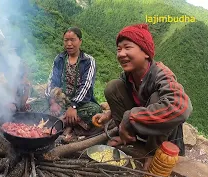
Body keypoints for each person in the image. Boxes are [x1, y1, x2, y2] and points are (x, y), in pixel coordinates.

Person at [93, 24, 193, 169]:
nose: (121, 54)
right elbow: (126, 97)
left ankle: (152, 151)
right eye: (119, 49)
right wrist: (110, 114)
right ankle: (127, 137)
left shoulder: (162, 74)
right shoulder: (128, 76)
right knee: (113, 87)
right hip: (141, 124)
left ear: (146, 52)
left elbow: (181, 106)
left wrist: (130, 117)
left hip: (164, 136)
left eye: (127, 48)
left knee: (157, 98)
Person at [45, 27, 102, 138]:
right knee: (37, 105)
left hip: (81, 104)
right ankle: (68, 122)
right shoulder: (60, 58)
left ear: (80, 41)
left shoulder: (88, 61)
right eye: (66, 40)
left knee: (95, 110)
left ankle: (60, 121)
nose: (69, 44)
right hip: (60, 100)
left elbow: (86, 86)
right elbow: (52, 80)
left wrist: (74, 106)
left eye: (73, 40)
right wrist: (53, 102)